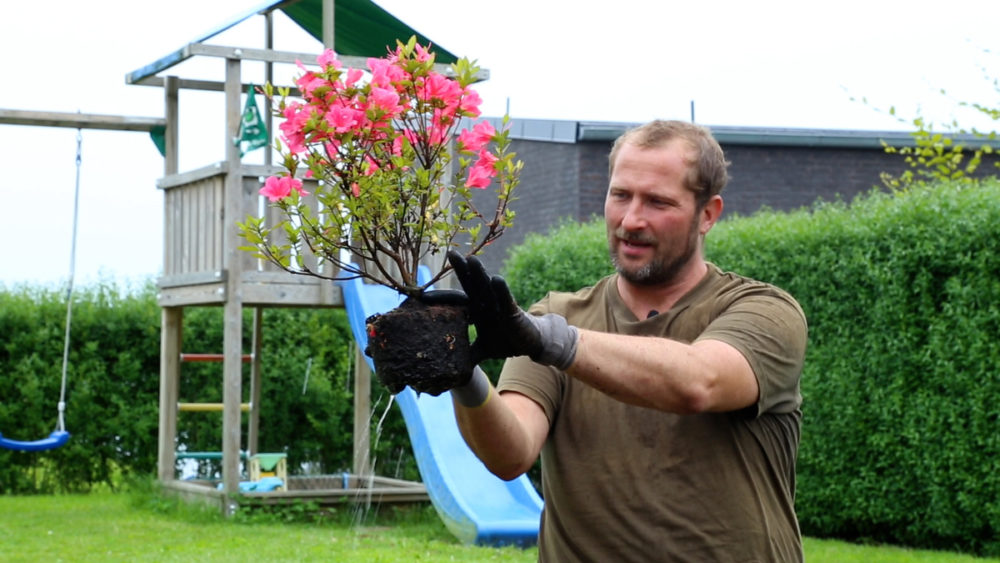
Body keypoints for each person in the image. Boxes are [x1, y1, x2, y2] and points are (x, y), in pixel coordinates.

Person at [431, 120, 808, 561]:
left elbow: (699, 381)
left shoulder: (765, 311)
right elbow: (511, 453)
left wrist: (553, 342)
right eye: (621, 195)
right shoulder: (555, 318)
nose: (631, 220)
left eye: (658, 202)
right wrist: (464, 374)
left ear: (708, 214)